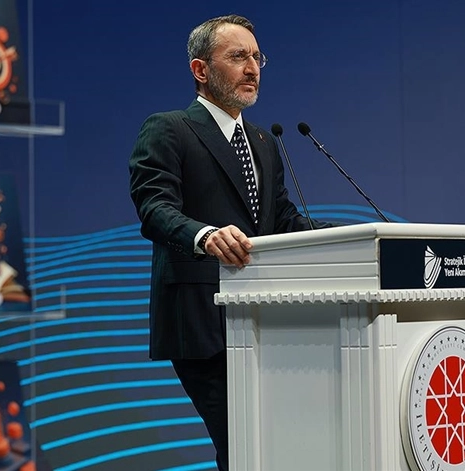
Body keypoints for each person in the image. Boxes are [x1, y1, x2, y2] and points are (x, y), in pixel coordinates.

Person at [128, 14, 334, 471]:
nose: (252, 68)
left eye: (257, 57)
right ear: (200, 69)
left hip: (267, 319)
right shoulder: (169, 129)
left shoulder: (263, 141)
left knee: (272, 446)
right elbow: (155, 208)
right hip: (202, 319)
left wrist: (341, 237)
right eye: (238, 56)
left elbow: (281, 219)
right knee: (244, 444)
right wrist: (205, 236)